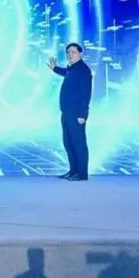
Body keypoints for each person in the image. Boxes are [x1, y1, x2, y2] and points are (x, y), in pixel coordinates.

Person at [47, 42, 93, 181]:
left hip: (76, 114)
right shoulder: (72, 69)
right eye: (68, 52)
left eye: (73, 52)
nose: (70, 55)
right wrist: (55, 68)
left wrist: (83, 114)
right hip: (67, 112)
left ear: (80, 53)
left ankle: (82, 174)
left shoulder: (83, 70)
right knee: (69, 143)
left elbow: (86, 93)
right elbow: (65, 72)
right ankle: (73, 171)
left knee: (78, 144)